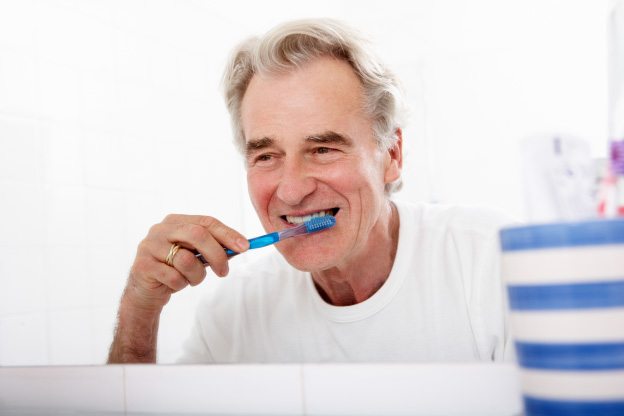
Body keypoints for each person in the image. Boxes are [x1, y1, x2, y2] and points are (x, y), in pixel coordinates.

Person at [107, 18, 513, 364]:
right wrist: (140, 308)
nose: (292, 190)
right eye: (266, 156)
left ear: (391, 154)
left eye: (322, 149)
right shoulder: (234, 312)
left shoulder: (492, 263)